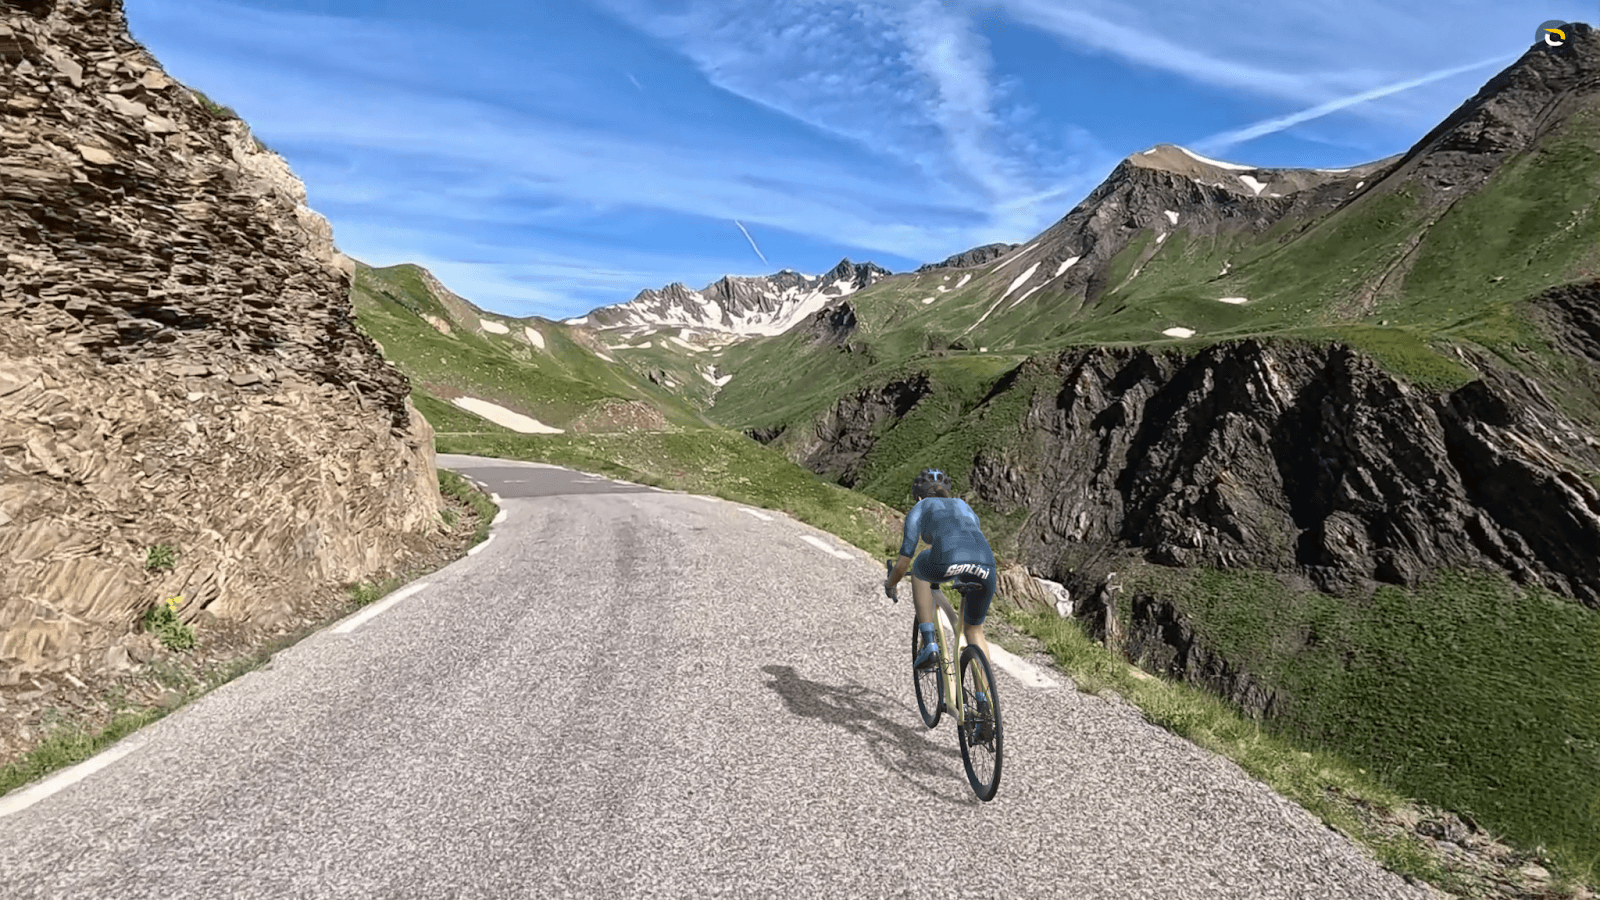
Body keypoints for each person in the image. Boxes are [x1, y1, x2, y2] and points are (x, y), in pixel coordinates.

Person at [883, 468, 999, 678]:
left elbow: (902, 564)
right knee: (973, 631)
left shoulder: (920, 507)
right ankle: (985, 701)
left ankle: (929, 644)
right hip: (987, 565)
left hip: (948, 559)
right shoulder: (964, 506)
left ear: (918, 496)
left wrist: (890, 584)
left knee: (919, 567)